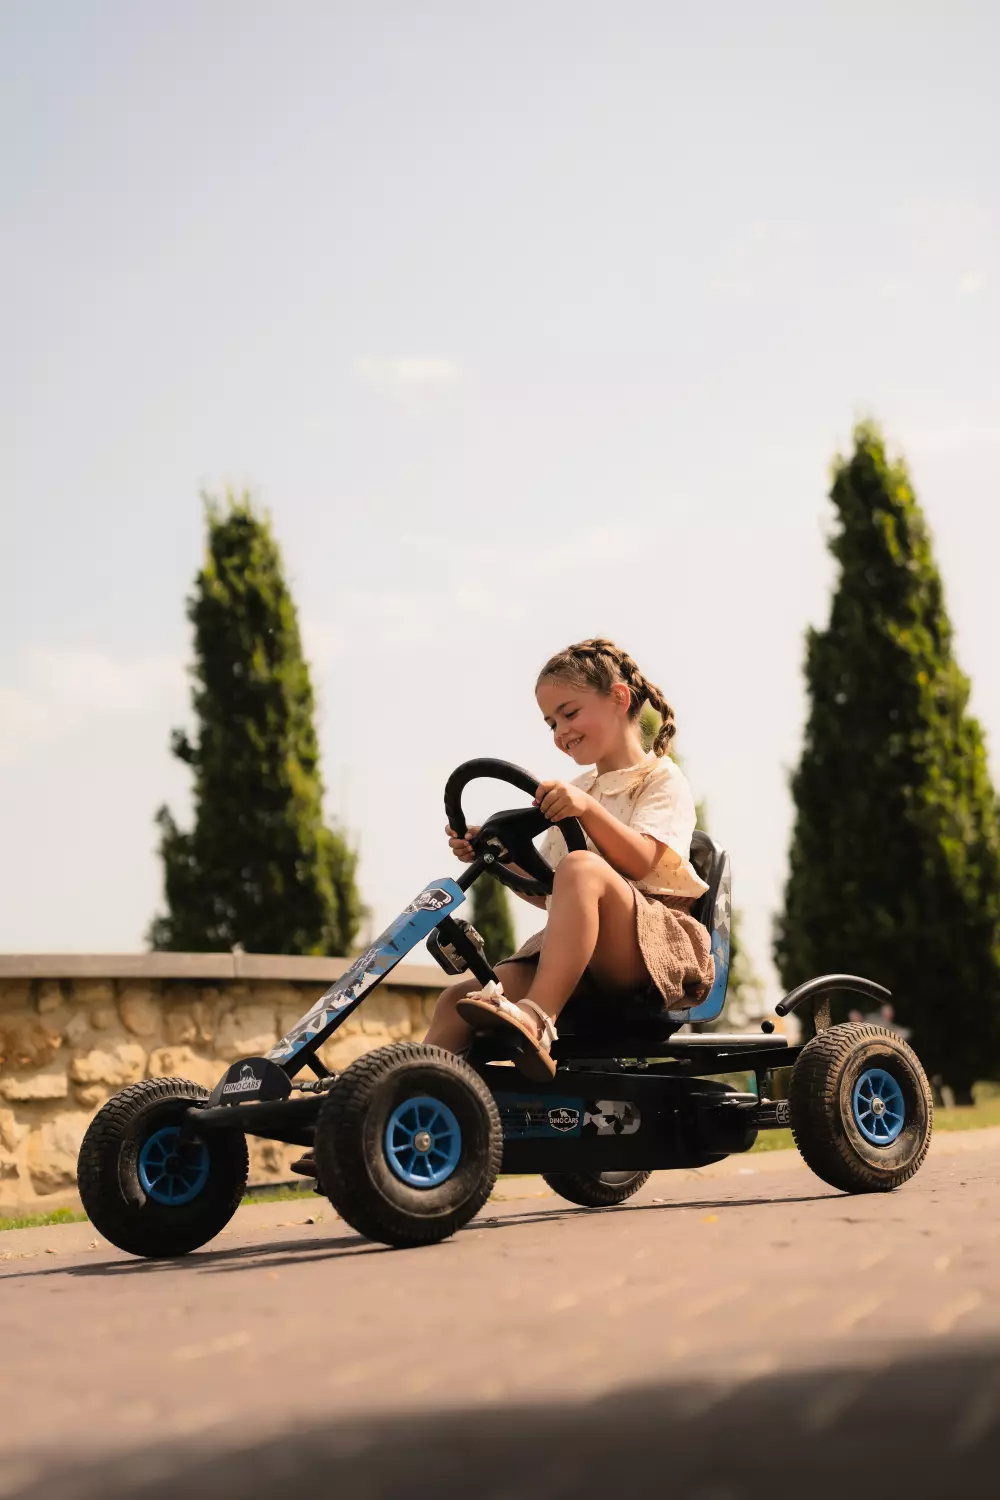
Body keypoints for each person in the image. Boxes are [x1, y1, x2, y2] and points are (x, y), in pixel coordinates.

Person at [423, 637, 715, 1079]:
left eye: (570, 713)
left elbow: (640, 861)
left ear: (619, 698)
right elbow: (549, 892)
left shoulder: (660, 778)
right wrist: (496, 855)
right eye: (551, 723)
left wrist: (588, 811)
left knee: (580, 867)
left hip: (649, 950)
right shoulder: (578, 791)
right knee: (455, 1001)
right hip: (577, 959)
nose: (561, 732)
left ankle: (537, 1018)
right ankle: (401, 1097)